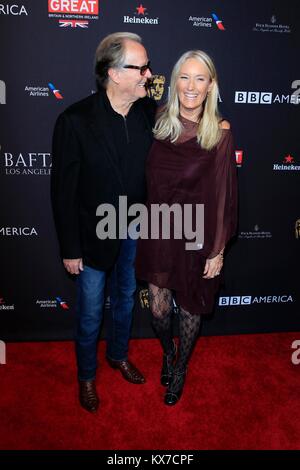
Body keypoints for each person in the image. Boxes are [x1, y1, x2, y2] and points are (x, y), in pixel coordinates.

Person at [51, 32, 155, 413]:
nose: (149, 74)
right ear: (113, 73)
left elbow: (187, 122)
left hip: (134, 228)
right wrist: (70, 248)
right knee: (92, 308)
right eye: (140, 67)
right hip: (92, 235)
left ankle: (118, 354)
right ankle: (87, 375)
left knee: (126, 298)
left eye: (148, 66)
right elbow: (63, 191)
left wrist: (220, 124)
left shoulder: (148, 112)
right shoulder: (75, 121)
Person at [136, 50, 238, 406]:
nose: (191, 86)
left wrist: (219, 250)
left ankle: (180, 369)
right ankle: (168, 352)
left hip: (198, 235)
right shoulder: (159, 119)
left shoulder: (220, 132)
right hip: (160, 230)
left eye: (200, 78)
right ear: (174, 81)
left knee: (191, 307)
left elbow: (225, 193)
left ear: (211, 86)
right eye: (184, 77)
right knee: (160, 310)